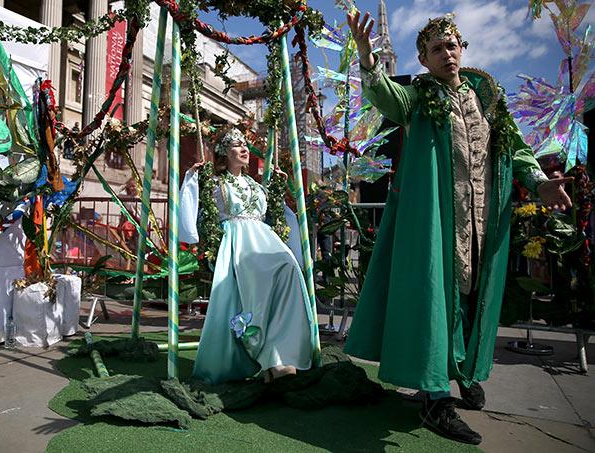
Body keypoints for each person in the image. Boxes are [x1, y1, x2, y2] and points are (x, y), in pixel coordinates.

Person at [344, 11, 572, 445]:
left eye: (452, 45)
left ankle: (465, 371)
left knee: (473, 298)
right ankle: (434, 396)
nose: (447, 53)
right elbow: (385, 96)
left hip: (484, 218)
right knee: (439, 298)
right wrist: (368, 60)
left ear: (462, 49)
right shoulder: (419, 97)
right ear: (424, 60)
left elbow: (519, 150)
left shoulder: (489, 98)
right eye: (436, 49)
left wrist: (540, 183)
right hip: (438, 219)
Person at [179, 127, 317, 384]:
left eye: (245, 144)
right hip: (238, 243)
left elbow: (279, 215)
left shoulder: (256, 185)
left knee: (288, 267)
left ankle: (281, 352)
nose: (244, 149)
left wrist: (278, 188)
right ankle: (263, 352)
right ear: (223, 153)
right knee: (259, 278)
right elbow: (195, 207)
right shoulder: (215, 183)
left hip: (265, 241)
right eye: (235, 145)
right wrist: (193, 177)